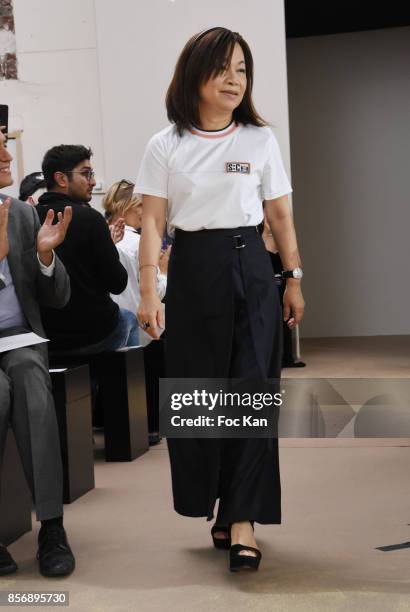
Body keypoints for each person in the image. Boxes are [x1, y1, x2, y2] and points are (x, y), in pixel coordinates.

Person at [136, 27, 305, 572]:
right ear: (196, 74)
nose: (235, 80)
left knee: (253, 391)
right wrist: (147, 291)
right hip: (193, 268)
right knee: (201, 397)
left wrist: (294, 276)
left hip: (252, 267)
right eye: (224, 68)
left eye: (243, 70)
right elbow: (153, 221)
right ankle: (217, 503)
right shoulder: (166, 143)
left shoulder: (259, 139)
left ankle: (243, 519)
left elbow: (279, 215)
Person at [0, 126, 75, 576]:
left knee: (30, 381)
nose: (8, 157)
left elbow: (58, 297)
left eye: (6, 148)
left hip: (20, 339)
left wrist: (46, 258)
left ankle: (52, 525)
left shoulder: (24, 215)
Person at [36, 145, 138, 354]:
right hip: (95, 333)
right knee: (130, 318)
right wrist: (108, 248)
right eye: (86, 174)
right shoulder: (90, 219)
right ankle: (129, 384)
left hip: (47, 337)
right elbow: (118, 283)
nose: (92, 181)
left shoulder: (28, 217)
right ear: (61, 179)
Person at [102, 179, 169, 347]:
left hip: (108, 332)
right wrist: (163, 271)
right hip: (141, 333)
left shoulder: (99, 238)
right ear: (124, 206)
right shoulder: (141, 244)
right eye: (140, 205)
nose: (146, 211)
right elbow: (156, 292)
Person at [260, 212, 306, 368]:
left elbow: (297, 262)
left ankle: (286, 357)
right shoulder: (261, 235)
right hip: (266, 269)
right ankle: (273, 358)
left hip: (282, 273)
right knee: (268, 315)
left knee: (286, 315)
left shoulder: (284, 240)